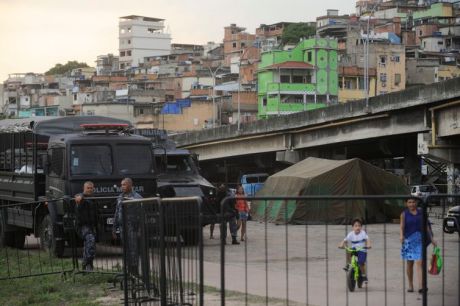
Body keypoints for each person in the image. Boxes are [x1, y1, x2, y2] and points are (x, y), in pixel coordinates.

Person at [400, 197, 436, 293]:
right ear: (406, 204)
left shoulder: (421, 213)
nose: (412, 204)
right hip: (409, 240)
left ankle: (421, 286)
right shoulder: (404, 214)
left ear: (416, 203)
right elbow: (402, 227)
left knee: (419, 262)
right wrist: (401, 236)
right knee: (410, 263)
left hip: (420, 239)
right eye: (409, 202)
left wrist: (432, 239)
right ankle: (410, 285)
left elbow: (426, 226)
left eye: (413, 202)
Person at [112, 178, 143, 275]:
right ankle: (127, 271)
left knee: (133, 249)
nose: (122, 187)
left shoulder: (137, 197)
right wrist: (114, 228)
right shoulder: (120, 197)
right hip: (122, 227)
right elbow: (117, 213)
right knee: (125, 249)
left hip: (132, 227)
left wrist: (139, 229)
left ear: (130, 185)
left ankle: (134, 271)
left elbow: (141, 214)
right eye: (121, 185)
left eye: (124, 185)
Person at [338, 218, 372, 282]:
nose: (357, 227)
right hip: (354, 249)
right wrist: (341, 245)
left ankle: (364, 275)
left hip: (362, 250)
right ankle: (349, 264)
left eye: (359, 226)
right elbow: (344, 240)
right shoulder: (351, 234)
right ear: (353, 227)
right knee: (348, 250)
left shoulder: (363, 233)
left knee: (361, 263)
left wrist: (368, 245)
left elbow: (367, 240)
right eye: (356, 226)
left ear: (361, 227)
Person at [74, 181, 97, 271]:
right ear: (84, 188)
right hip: (82, 225)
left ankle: (87, 266)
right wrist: (80, 197)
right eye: (88, 188)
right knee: (90, 240)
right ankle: (86, 263)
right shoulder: (80, 196)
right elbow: (78, 197)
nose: (90, 190)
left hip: (91, 225)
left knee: (89, 245)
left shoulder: (93, 198)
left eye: (91, 188)